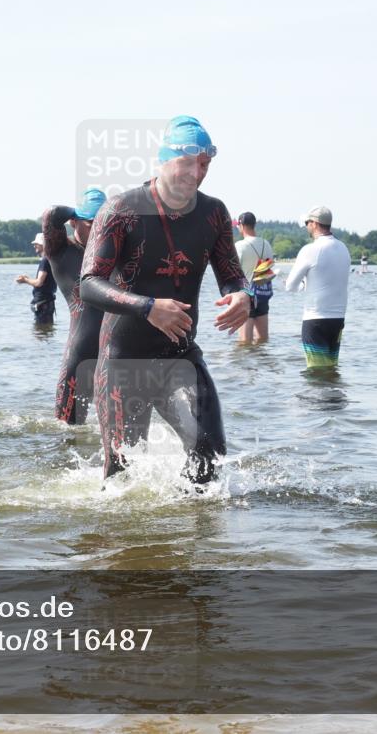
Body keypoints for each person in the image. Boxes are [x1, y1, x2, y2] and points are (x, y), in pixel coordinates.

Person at [80, 115, 249, 485]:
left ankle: (193, 521)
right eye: (186, 163)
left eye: (204, 165)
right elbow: (89, 284)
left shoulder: (214, 213)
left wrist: (242, 294)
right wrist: (148, 307)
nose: (196, 173)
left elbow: (231, 275)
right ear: (163, 160)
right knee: (122, 476)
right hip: (123, 362)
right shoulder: (121, 210)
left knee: (209, 453)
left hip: (180, 356)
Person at [41, 188, 107, 425]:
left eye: (104, 223)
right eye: (91, 224)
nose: (99, 230)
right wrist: (79, 211)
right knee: (67, 429)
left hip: (117, 353)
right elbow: (52, 214)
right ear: (73, 222)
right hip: (80, 354)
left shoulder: (116, 253)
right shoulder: (61, 252)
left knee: (126, 434)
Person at [284, 206, 351, 368]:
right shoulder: (343, 248)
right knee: (331, 369)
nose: (307, 226)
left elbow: (290, 286)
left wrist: (301, 285)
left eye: (307, 223)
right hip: (338, 319)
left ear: (314, 223)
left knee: (317, 372)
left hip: (316, 319)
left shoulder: (310, 249)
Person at [233, 211, 274, 344]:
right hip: (263, 294)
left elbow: (233, 272)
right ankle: (261, 358)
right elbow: (269, 267)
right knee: (263, 340)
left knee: (244, 343)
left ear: (241, 225)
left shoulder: (240, 246)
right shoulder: (266, 244)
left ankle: (248, 359)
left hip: (246, 295)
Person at [15, 233, 57, 324]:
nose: (34, 246)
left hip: (43, 303)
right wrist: (28, 279)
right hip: (47, 302)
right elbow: (44, 282)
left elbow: (39, 282)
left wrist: (25, 280)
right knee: (46, 330)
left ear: (43, 245)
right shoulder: (50, 259)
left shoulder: (45, 260)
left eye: (36, 244)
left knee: (40, 331)